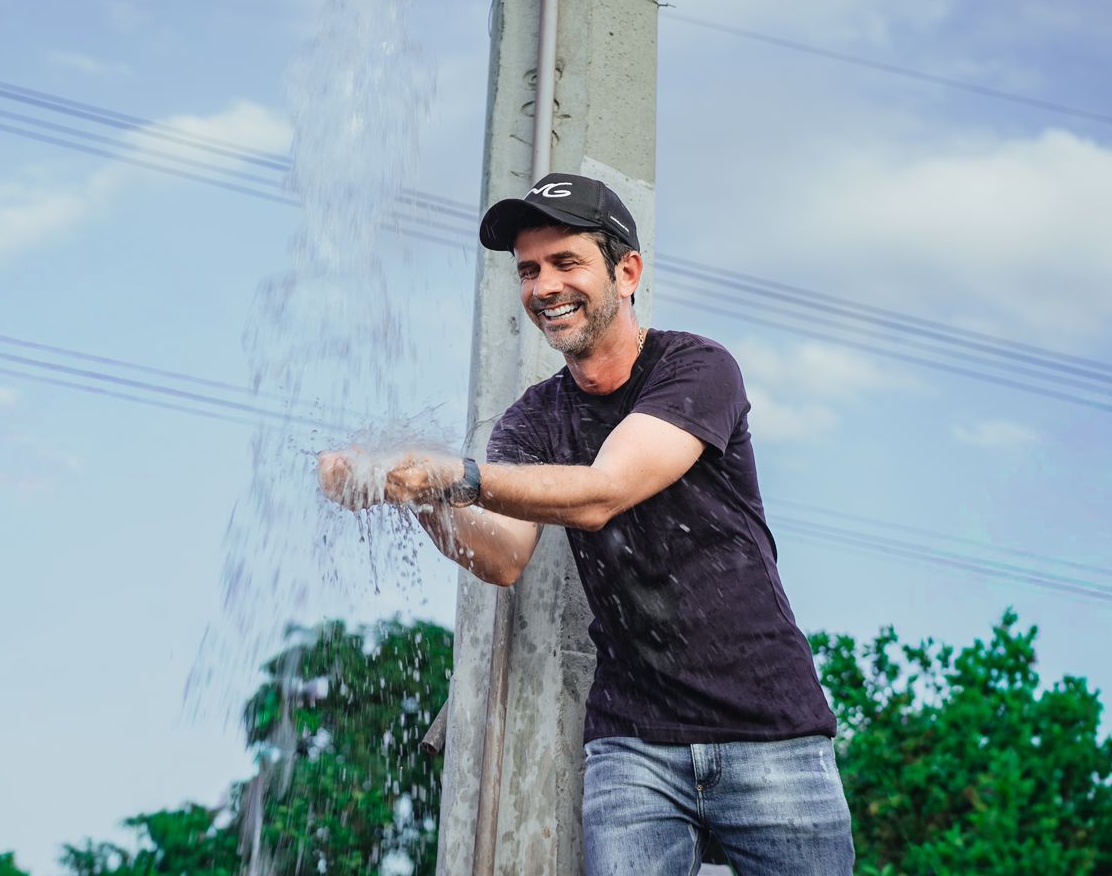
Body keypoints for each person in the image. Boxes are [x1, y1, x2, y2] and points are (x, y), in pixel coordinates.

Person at [318, 172, 855, 874]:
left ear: (627, 272)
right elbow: (502, 556)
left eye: (565, 263)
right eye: (529, 270)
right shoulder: (533, 418)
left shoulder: (696, 368)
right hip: (633, 744)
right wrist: (405, 491)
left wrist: (454, 476)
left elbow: (604, 491)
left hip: (770, 727)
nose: (544, 287)